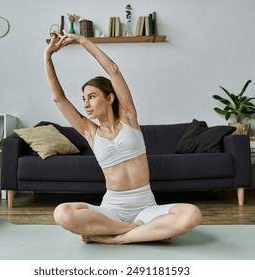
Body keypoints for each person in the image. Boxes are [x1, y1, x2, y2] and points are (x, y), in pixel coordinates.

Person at [44, 31, 202, 244]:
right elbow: (58, 98)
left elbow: (114, 71)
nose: (86, 104)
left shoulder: (128, 118)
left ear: (110, 98)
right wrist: (48, 57)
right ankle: (136, 231)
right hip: (112, 210)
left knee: (192, 214)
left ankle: (115, 239)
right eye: (83, 99)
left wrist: (82, 41)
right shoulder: (90, 132)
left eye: (92, 97)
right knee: (62, 213)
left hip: (146, 207)